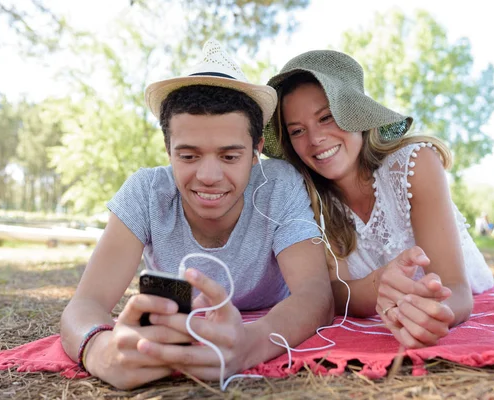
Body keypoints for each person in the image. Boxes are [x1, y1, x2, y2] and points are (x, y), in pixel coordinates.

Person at [60, 40, 336, 390]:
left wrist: (250, 344)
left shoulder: (279, 184)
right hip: (176, 314)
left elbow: (315, 294)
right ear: (168, 150)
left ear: (256, 152)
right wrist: (100, 351)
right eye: (188, 156)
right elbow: (85, 304)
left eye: (230, 157)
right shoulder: (146, 192)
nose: (208, 176)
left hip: (268, 320)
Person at [263, 50, 494, 349]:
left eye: (327, 117)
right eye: (297, 131)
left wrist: (434, 316)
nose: (315, 139)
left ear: (357, 116)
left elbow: (457, 288)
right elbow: (335, 293)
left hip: (463, 296)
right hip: (388, 313)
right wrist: (380, 287)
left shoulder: (414, 165)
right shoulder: (310, 198)